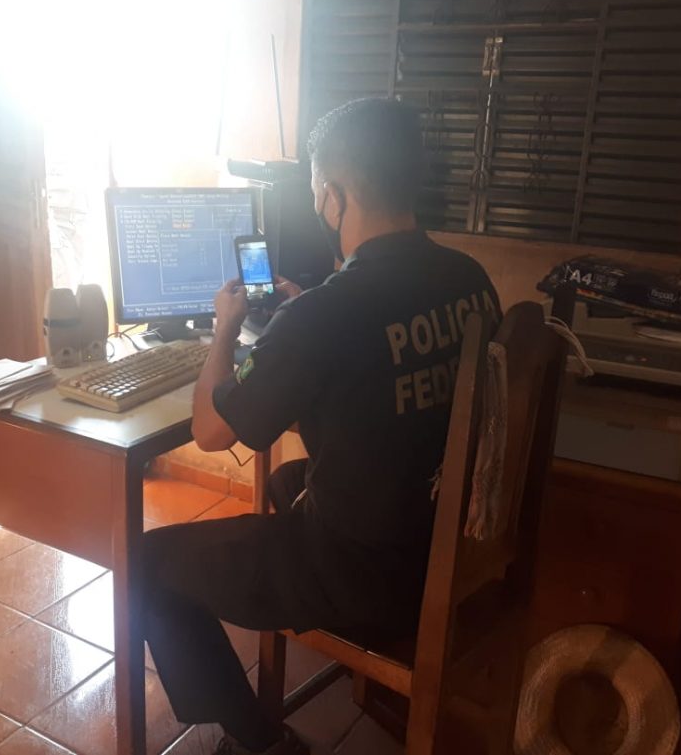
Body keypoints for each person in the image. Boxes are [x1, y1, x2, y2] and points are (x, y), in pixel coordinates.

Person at [142, 98, 501, 755]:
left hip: (370, 575)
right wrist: (304, 318)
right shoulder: (470, 280)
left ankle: (258, 740)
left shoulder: (327, 315)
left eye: (316, 194)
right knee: (288, 478)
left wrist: (224, 330)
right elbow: (387, 364)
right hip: (445, 544)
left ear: (334, 196)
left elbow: (212, 430)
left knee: (145, 564)